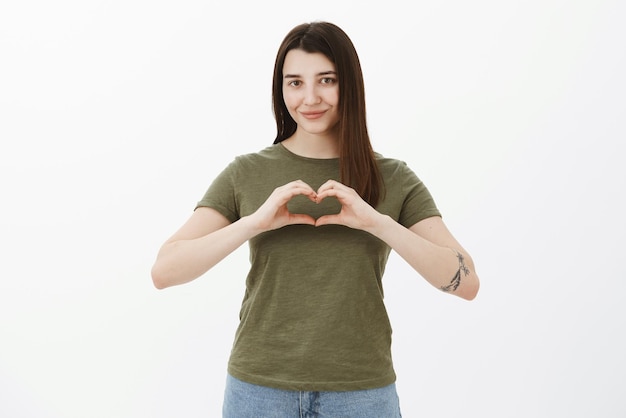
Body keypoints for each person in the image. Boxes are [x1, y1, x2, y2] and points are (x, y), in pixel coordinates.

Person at [151, 21, 480, 418]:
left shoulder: (392, 177)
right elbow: (164, 271)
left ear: (350, 85)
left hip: (362, 394)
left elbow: (466, 284)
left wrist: (377, 222)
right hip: (259, 392)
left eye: (326, 80)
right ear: (281, 89)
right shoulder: (247, 172)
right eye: (294, 83)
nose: (310, 97)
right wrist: (254, 222)